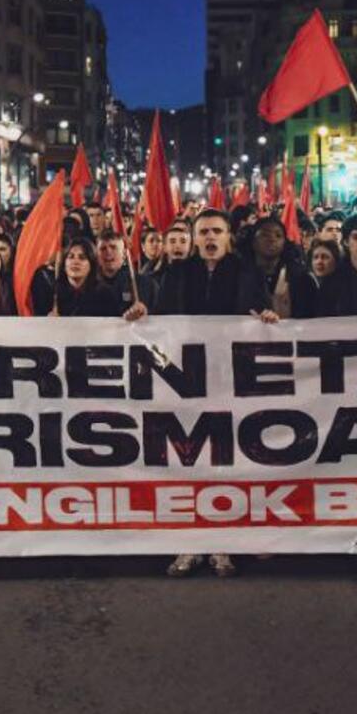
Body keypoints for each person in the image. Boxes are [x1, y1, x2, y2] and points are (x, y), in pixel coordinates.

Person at [154, 207, 256, 578]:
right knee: (188, 461)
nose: (210, 238)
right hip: (187, 382)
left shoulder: (246, 272)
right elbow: (160, 322)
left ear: (228, 236)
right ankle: (189, 543)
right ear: (194, 239)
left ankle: (223, 543)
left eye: (217, 231)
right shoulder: (177, 274)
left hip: (230, 380)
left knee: (225, 460)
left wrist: (268, 323)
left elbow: (255, 316)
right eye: (204, 232)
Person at [51, 240, 128, 317]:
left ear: (91, 264)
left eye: (82, 258)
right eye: (71, 257)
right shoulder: (53, 293)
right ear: (64, 264)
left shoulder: (105, 295)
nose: (75, 262)